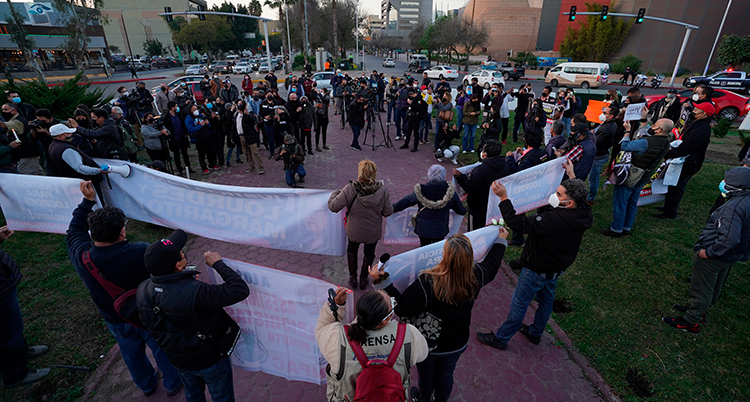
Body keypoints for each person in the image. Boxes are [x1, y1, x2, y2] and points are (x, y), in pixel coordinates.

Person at [66, 181, 182, 396]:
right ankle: (173, 382)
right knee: (160, 347)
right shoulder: (140, 252)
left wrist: (86, 202)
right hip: (147, 314)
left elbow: (73, 230)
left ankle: (146, 384)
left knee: (131, 354)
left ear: (93, 233)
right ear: (122, 232)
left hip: (115, 317)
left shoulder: (82, 257)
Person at [371, 228, 508, 402]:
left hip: (429, 345)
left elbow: (403, 308)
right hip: (457, 342)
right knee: (446, 375)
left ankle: (424, 399)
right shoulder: (476, 276)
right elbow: (493, 264)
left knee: (426, 376)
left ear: (445, 256)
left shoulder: (428, 281)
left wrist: (382, 281)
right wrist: (501, 239)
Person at [477, 178, 592, 350]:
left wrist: (503, 197)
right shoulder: (584, 214)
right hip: (556, 268)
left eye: (559, 194)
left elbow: (517, 223)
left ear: (569, 203)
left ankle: (501, 338)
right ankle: (535, 332)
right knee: (546, 302)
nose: (554, 195)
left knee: (520, 304)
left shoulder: (551, 221)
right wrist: (571, 173)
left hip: (536, 269)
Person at [136, 230, 248, 402]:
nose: (183, 253)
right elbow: (239, 290)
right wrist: (218, 264)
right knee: (222, 396)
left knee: (193, 395)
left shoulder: (143, 289)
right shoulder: (197, 292)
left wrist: (184, 279)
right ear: (178, 266)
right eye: (182, 253)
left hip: (179, 360)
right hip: (209, 359)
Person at [663, 166, 750, 334]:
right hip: (731, 256)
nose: (723, 183)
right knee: (714, 286)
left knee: (701, 287)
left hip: (715, 256)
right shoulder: (746, 200)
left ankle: (690, 321)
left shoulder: (733, 207)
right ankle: (699, 311)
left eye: (728, 181)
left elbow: (729, 238)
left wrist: (710, 252)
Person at [315, 288, 428, 402]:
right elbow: (423, 355)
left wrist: (337, 307)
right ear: (385, 320)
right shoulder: (409, 334)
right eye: (392, 303)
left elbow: (321, 328)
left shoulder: (337, 338)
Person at [600, 118, 674, 238]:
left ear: (659, 130)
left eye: (654, 125)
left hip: (631, 175)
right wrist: (644, 118)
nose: (652, 126)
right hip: (643, 176)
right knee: (633, 202)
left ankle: (616, 229)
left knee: (621, 202)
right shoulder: (665, 142)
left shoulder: (646, 142)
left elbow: (625, 146)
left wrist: (627, 131)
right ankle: (626, 227)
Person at [328, 160, 393, 289]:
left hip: (354, 231)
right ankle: (364, 279)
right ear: (374, 174)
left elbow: (333, 207)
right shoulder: (382, 190)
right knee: (369, 254)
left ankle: (353, 278)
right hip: (372, 232)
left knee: (352, 250)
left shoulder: (350, 189)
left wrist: (336, 192)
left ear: (360, 173)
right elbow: (388, 211)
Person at [0, 226, 51, 388]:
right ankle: (15, 374)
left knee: (13, 326)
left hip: (3, 283)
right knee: (7, 333)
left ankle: (22, 352)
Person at [656, 102, 714, 220]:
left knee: (677, 186)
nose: (693, 112)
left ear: (703, 114)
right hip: (686, 160)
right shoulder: (698, 124)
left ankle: (671, 212)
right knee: (673, 185)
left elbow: (687, 147)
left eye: (696, 110)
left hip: (689, 163)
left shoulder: (701, 129)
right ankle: (668, 207)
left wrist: (669, 154)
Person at [392, 165, 466, 246]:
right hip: (440, 230)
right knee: (437, 249)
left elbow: (404, 202)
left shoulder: (421, 190)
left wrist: (389, 209)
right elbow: (461, 211)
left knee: (424, 248)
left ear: (429, 175)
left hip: (423, 229)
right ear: (444, 175)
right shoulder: (450, 192)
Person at [454, 140, 507, 230]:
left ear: (485, 154)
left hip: (478, 208)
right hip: (495, 206)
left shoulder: (480, 170)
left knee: (474, 234)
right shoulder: (505, 165)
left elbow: (470, 188)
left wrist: (460, 177)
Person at [588, 104, 619, 204]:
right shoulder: (606, 124)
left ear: (611, 116)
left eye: (605, 113)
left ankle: (590, 198)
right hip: (601, 153)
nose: (602, 114)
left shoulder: (607, 128)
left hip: (598, 156)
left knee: (593, 178)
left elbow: (596, 141)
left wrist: (591, 135)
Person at [0, 103, 42, 175]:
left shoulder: (17, 122)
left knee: (27, 179)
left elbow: (3, 125)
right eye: (2, 110)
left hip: (27, 156)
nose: (3, 112)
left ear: (14, 111)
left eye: (6, 109)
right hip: (26, 156)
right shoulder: (13, 120)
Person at [554, 116, 596, 181]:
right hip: (582, 175)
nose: (572, 135)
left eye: (573, 134)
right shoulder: (591, 143)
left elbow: (564, 161)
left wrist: (559, 155)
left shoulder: (580, 147)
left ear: (579, 134)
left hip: (573, 177)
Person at [185, 104, 219, 175]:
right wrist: (200, 125)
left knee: (210, 151)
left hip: (206, 135)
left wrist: (207, 123)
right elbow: (191, 129)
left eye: (196, 108)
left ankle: (212, 164)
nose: (196, 110)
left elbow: (208, 125)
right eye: (194, 109)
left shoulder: (200, 115)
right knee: (201, 154)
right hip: (199, 138)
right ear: (190, 111)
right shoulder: (188, 119)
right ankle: (204, 168)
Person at [162, 101, 194, 175]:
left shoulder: (179, 114)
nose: (177, 107)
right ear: (172, 108)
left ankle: (188, 167)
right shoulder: (167, 117)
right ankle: (179, 169)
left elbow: (183, 124)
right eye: (176, 106)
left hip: (182, 137)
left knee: (185, 154)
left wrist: (185, 133)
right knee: (177, 155)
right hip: (174, 139)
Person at [236, 100, 264, 174]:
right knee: (247, 153)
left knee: (255, 152)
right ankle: (251, 165)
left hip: (250, 136)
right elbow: (234, 125)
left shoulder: (249, 115)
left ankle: (261, 167)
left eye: (241, 110)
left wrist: (247, 114)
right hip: (242, 136)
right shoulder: (237, 115)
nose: (240, 112)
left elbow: (254, 120)